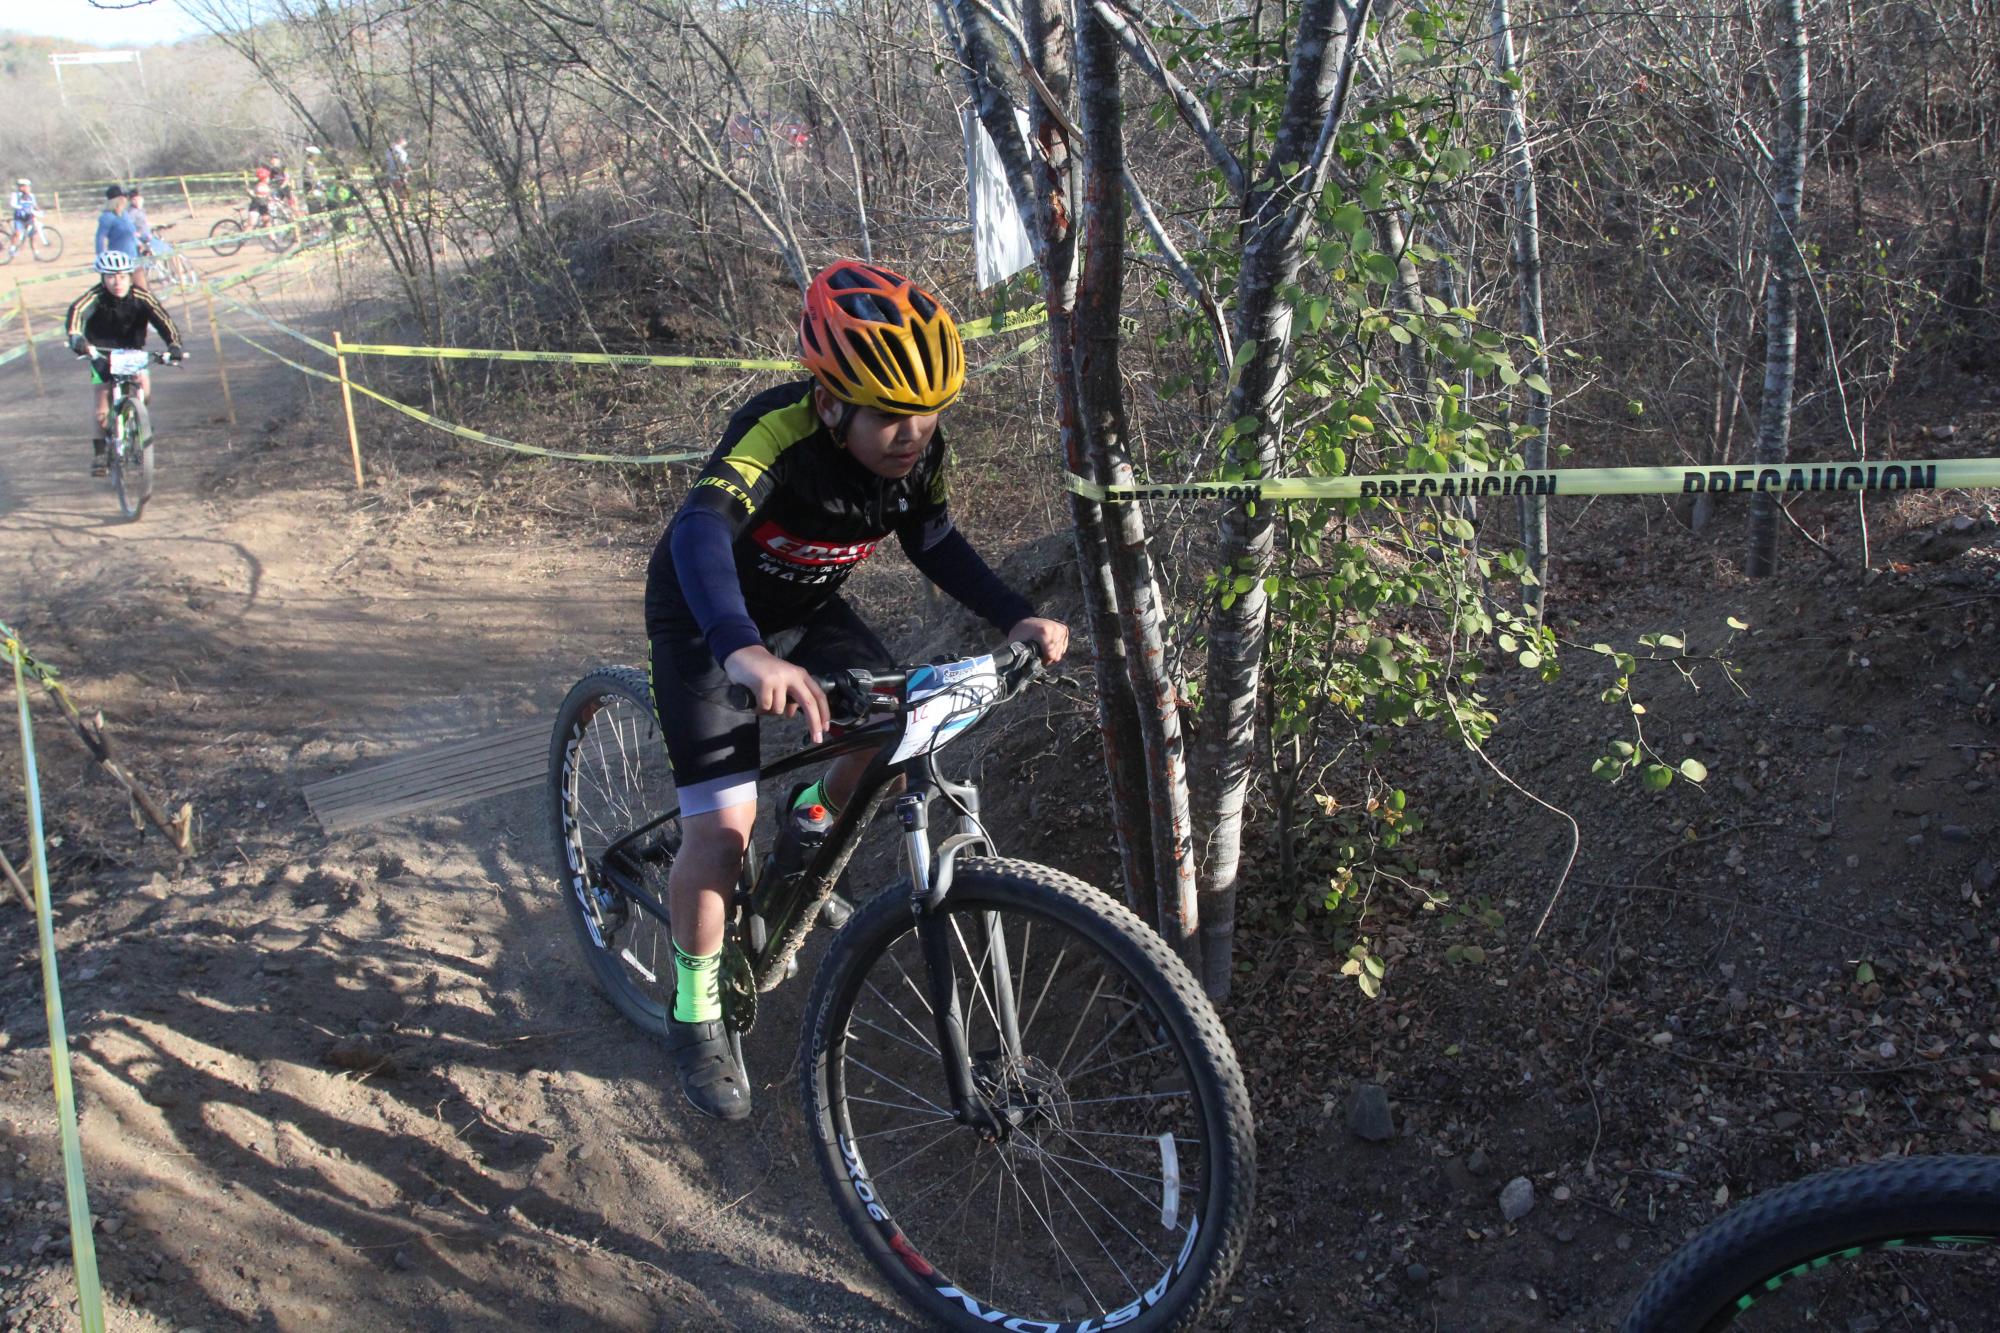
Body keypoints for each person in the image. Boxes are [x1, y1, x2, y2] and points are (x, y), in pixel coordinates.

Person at [644, 260, 1069, 1120]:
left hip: (804, 605)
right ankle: (693, 1011)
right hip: (708, 618)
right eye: (890, 416)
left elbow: (937, 542)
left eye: (929, 413)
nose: (912, 433)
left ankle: (808, 817)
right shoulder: (777, 433)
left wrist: (1015, 616)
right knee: (722, 838)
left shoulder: (917, 452)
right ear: (832, 402)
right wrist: (743, 653)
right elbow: (698, 533)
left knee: (893, 727)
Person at [64, 251, 184, 476]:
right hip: (100, 352)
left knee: (144, 389)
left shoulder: (142, 297)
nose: (117, 282)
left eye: (122, 276)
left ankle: (138, 425)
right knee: (102, 400)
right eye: (110, 277)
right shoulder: (94, 297)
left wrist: (174, 346)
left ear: (130, 276)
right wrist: (78, 340)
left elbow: (164, 321)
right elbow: (75, 318)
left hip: (132, 351)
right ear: (102, 278)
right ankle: (100, 452)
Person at [95, 184, 143, 288]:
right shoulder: (107, 217)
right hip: (119, 264)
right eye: (124, 197)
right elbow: (100, 239)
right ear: (118, 200)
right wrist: (101, 259)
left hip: (134, 258)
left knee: (142, 291)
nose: (126, 199)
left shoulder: (125, 214)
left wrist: (139, 243)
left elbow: (132, 232)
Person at [8, 178, 49, 258]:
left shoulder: (31, 196)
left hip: (29, 218)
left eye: (28, 186)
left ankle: (36, 254)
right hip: (19, 218)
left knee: (33, 236)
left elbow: (34, 205)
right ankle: (12, 248)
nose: (28, 188)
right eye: (26, 186)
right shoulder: (15, 195)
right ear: (21, 187)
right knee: (17, 233)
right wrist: (21, 207)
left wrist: (40, 211)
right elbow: (12, 204)